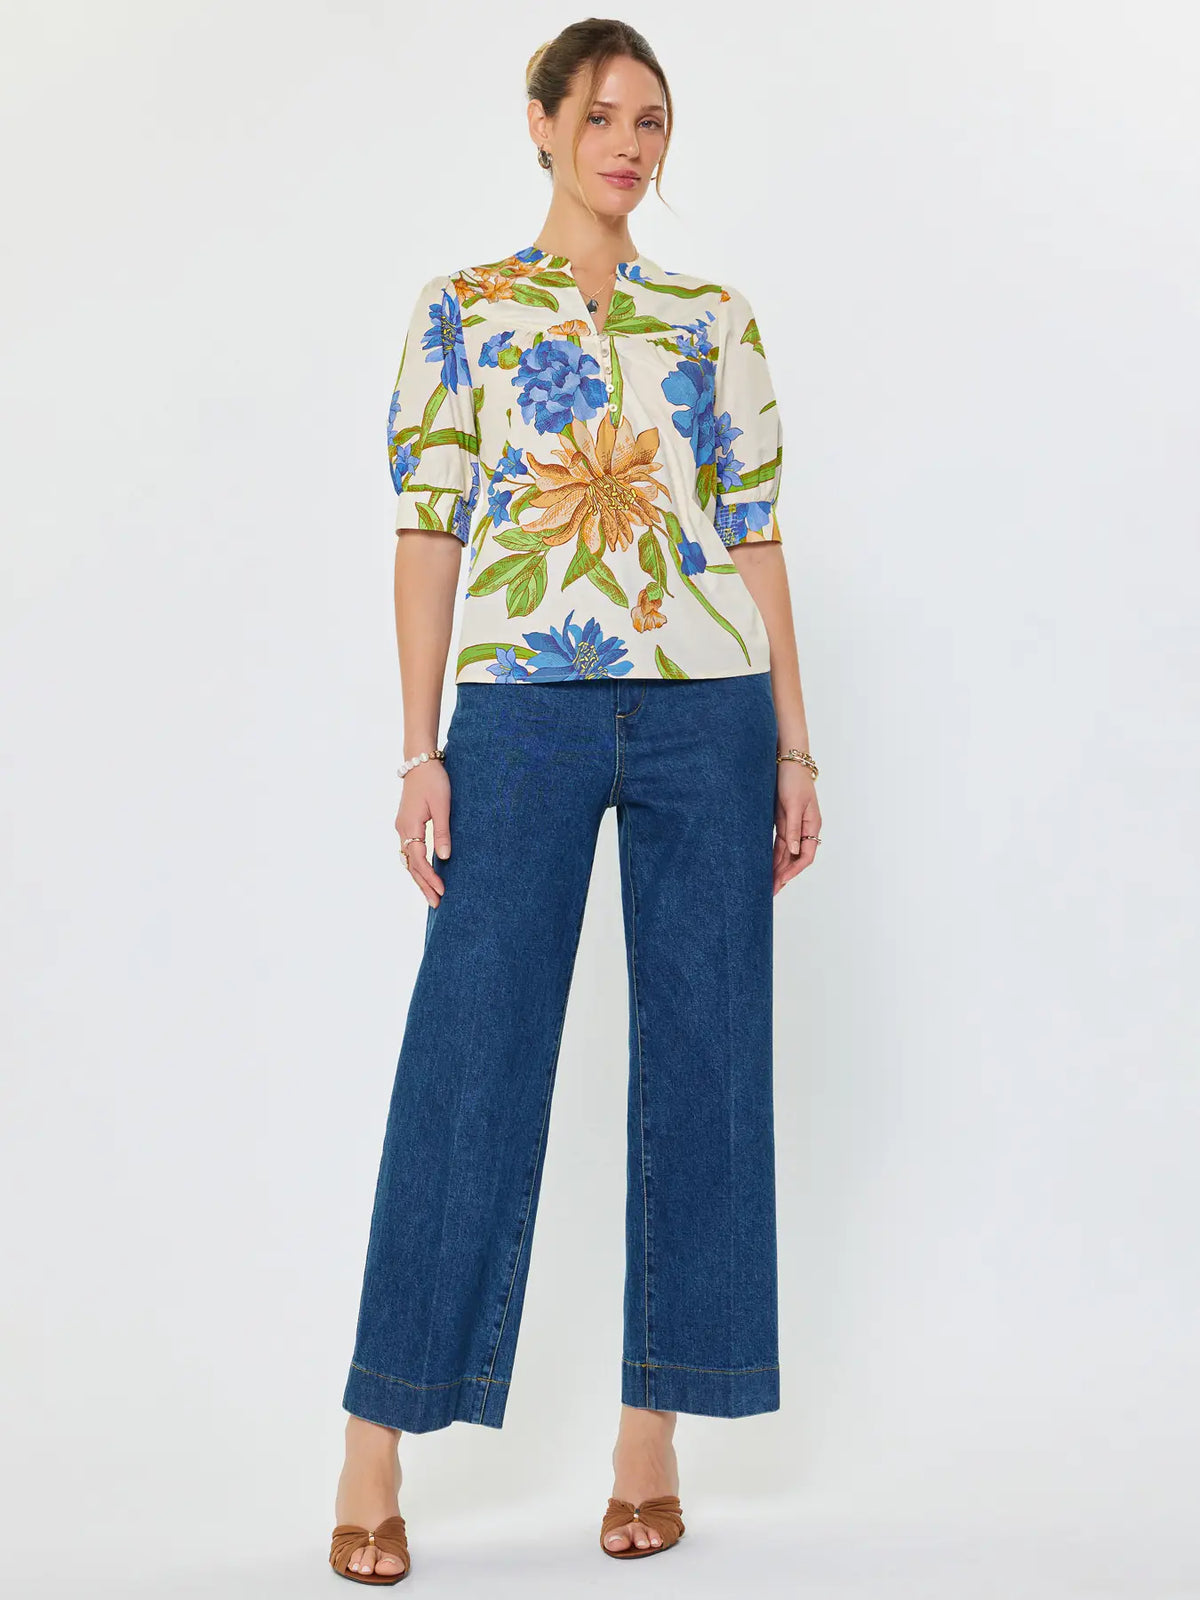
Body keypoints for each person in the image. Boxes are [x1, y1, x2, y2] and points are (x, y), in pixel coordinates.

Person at [328, 18, 821, 1584]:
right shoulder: (467, 310)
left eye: (652, 120)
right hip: (522, 718)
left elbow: (754, 532)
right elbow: (429, 530)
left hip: (708, 713)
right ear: (541, 122)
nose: (629, 144)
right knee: (469, 1056)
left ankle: (648, 1437)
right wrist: (420, 749)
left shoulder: (712, 319)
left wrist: (795, 750)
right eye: (602, 114)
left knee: (706, 1060)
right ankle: (375, 1440)